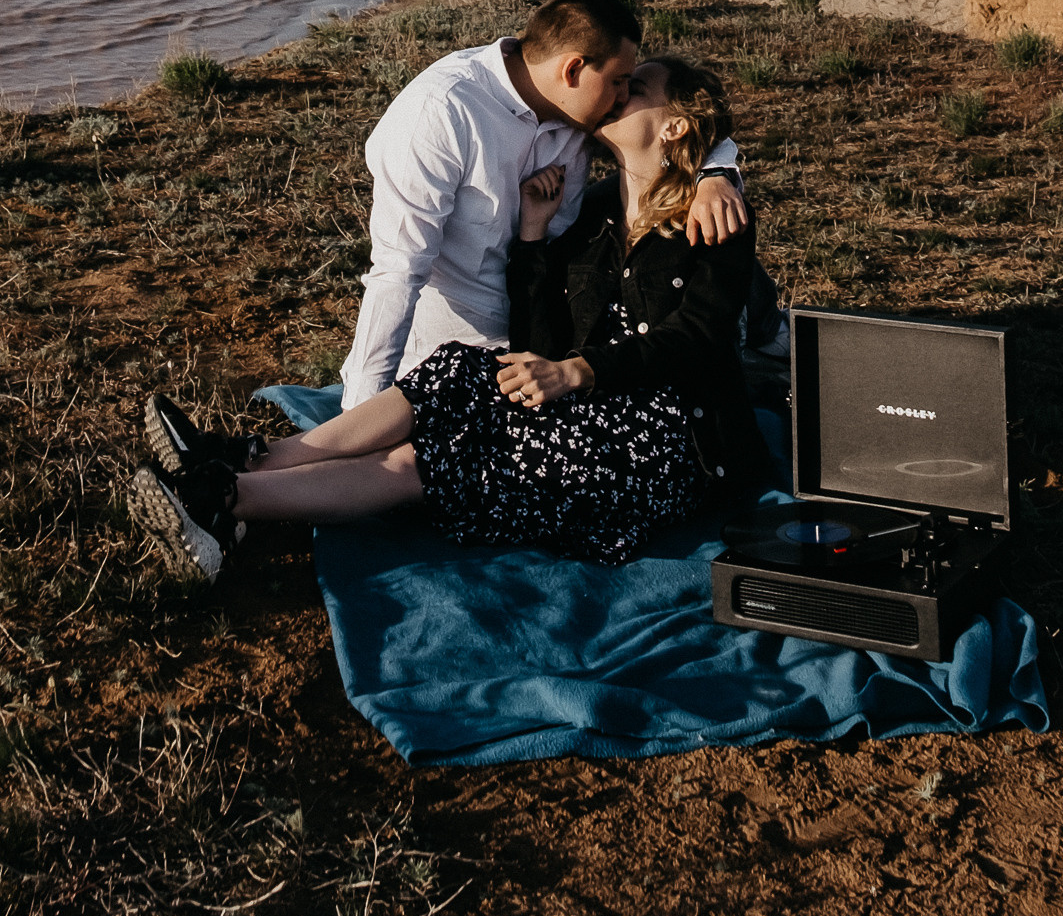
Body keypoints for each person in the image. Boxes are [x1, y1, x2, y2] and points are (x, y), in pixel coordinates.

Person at [132, 53, 769, 583]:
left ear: (676, 126)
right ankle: (250, 459)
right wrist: (533, 236)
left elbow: (698, 339)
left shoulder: (716, 215)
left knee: (447, 455)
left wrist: (577, 371)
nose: (619, 93)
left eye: (638, 90)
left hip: (667, 443)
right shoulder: (594, 209)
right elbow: (541, 341)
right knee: (460, 369)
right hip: (590, 403)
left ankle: (225, 502)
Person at [327, 0, 746, 410]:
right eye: (619, 82)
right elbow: (397, 273)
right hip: (450, 353)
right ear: (573, 70)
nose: (622, 98)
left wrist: (716, 173)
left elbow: (682, 118)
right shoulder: (441, 113)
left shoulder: (580, 110)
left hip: (550, 357)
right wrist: (359, 406)